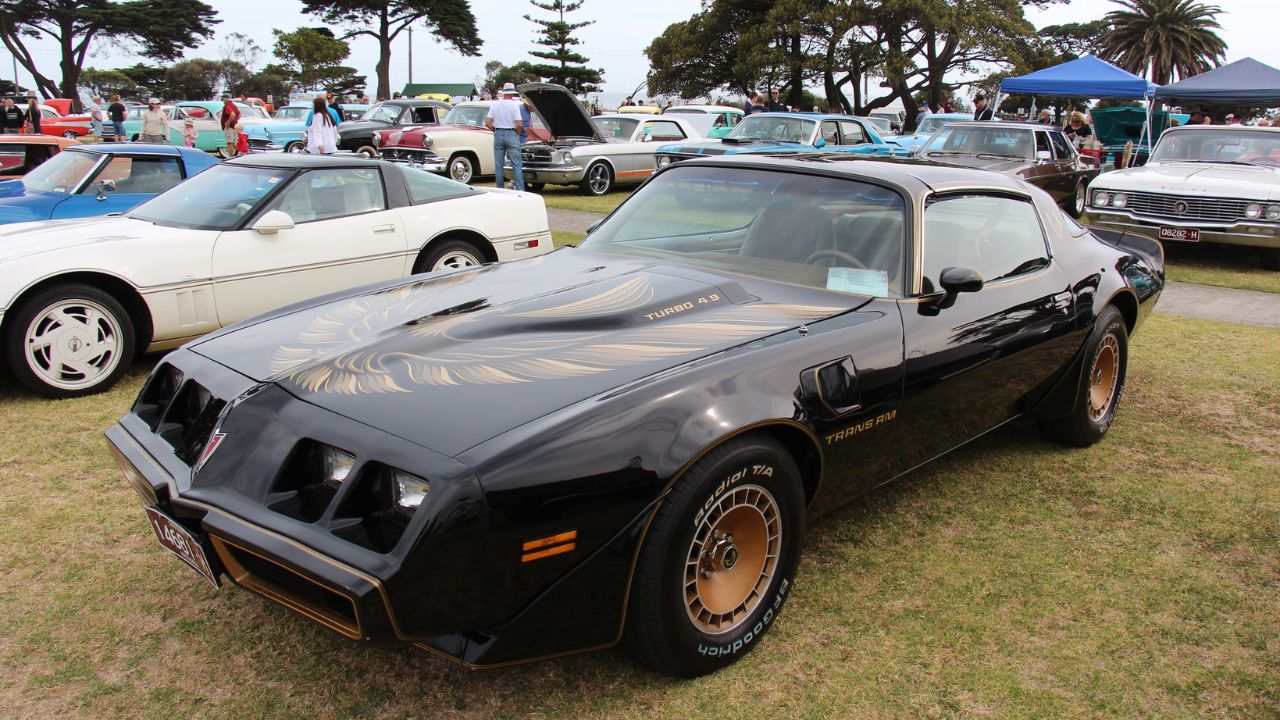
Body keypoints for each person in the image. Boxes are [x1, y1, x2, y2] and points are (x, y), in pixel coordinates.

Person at [485, 82, 524, 191]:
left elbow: (487, 122)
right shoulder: (514, 105)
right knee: (516, 163)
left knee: (499, 165)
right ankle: (520, 188)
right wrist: (517, 132)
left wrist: (495, 130)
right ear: (512, 93)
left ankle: (500, 189)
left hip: (498, 132)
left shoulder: (495, 104)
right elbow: (519, 124)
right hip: (511, 132)